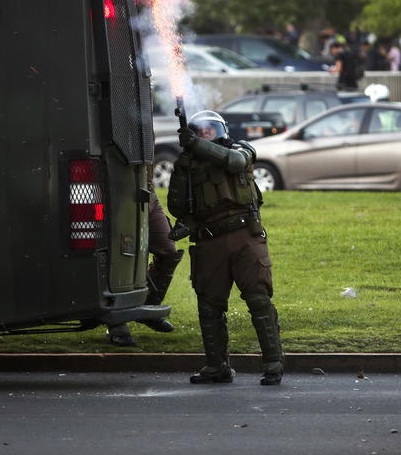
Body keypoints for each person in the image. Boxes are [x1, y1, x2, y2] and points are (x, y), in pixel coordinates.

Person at [167, 110, 283, 386]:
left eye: (210, 129)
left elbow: (233, 163)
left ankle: (273, 363)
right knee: (209, 305)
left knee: (258, 299)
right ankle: (216, 366)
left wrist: (195, 146)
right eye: (199, 131)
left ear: (220, 130)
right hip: (209, 241)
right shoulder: (188, 163)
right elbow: (177, 206)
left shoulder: (240, 149)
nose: (206, 134)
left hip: (245, 236)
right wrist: (184, 165)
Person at [106, 187, 184, 346]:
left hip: (147, 194)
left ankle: (148, 309)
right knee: (122, 258)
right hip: (120, 194)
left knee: (169, 251)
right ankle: (116, 324)